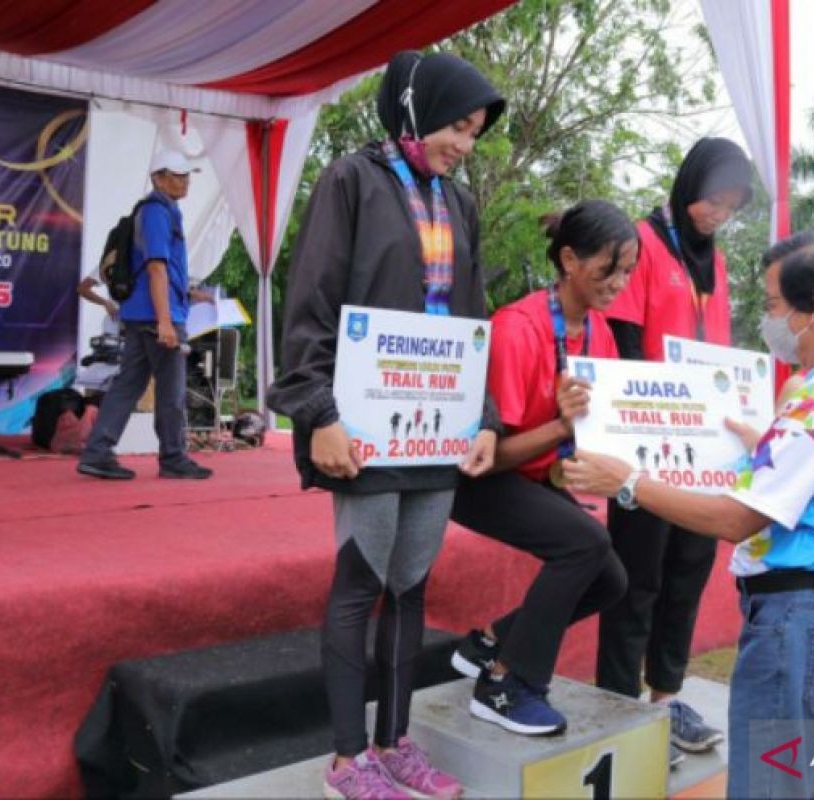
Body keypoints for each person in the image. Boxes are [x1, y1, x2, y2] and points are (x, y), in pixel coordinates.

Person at [565, 230, 814, 798]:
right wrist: (769, 443)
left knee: (770, 784)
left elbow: (735, 519)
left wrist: (626, 480)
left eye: (774, 305)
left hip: (798, 617)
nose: (769, 319)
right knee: (802, 780)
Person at [267, 50, 505, 800]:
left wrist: (485, 419)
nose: (463, 144)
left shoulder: (460, 203)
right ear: (413, 106)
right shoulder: (352, 180)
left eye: (473, 133)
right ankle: (347, 760)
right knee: (359, 582)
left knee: (410, 584)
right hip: (361, 426)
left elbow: (472, 319)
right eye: (456, 125)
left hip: (436, 428)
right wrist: (319, 415)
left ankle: (394, 743)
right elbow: (309, 302)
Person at [447, 201, 636, 739]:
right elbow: (487, 457)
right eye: (610, 268)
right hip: (480, 477)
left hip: (534, 475)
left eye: (628, 272)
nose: (619, 284)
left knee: (611, 580)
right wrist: (560, 427)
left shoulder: (599, 334)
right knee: (583, 543)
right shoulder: (518, 328)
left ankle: (489, 642)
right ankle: (506, 686)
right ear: (571, 260)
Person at [596, 137, 753, 757]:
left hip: (702, 449)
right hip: (647, 439)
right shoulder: (643, 239)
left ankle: (666, 697)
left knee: (688, 570)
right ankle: (615, 701)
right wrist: (653, 414)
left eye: (732, 205)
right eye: (714, 198)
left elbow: (720, 348)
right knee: (638, 576)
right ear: (690, 185)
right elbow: (624, 339)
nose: (718, 213)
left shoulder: (714, 262)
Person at [77, 150, 212, 481]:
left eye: (186, 175)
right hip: (156, 315)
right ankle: (173, 457)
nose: (185, 181)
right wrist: (165, 320)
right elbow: (155, 267)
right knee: (171, 388)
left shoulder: (160, 210)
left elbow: (158, 268)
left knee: (128, 384)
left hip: (141, 313)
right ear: (158, 178)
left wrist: (186, 294)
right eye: (178, 175)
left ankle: (97, 452)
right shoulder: (156, 211)